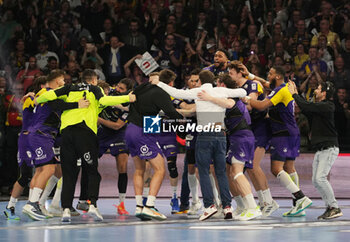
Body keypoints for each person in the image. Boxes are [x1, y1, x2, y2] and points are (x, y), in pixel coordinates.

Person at [35, 69, 135, 223]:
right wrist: (128, 97)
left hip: (67, 135)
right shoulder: (95, 89)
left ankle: (66, 209)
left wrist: (37, 99)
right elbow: (104, 101)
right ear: (94, 80)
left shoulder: (68, 88)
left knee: (68, 174)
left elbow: (46, 96)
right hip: (85, 134)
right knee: (92, 171)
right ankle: (92, 205)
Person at [153, 70, 247, 221]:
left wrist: (158, 83)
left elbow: (176, 93)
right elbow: (243, 91)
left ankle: (209, 206)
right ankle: (228, 206)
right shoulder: (221, 90)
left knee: (203, 171)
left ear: (200, 82)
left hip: (205, 135)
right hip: (221, 134)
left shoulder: (199, 91)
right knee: (221, 172)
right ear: (213, 80)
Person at [244, 66, 312, 217]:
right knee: (289, 168)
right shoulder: (280, 88)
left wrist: (247, 98)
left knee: (276, 169)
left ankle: (301, 198)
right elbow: (266, 84)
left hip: (283, 133)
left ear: (279, 77)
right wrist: (249, 75)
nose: (268, 76)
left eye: (271, 74)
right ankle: (299, 206)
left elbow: (261, 106)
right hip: (291, 132)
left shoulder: (280, 90)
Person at [197, 73, 262, 221]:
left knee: (237, 172)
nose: (216, 87)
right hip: (237, 138)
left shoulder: (231, 100)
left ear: (223, 85)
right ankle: (236, 206)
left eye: (218, 84)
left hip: (242, 138)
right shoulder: (232, 98)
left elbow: (226, 104)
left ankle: (253, 207)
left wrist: (209, 98)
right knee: (226, 171)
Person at [126, 69, 183, 221]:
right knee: (160, 169)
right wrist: (184, 117)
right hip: (142, 131)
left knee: (139, 169)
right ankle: (150, 206)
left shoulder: (141, 87)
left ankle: (139, 207)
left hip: (130, 129)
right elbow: (171, 112)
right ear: (169, 83)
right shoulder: (161, 92)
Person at [288, 81, 343, 220]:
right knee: (316, 180)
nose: (315, 90)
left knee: (320, 178)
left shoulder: (328, 106)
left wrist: (295, 94)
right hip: (320, 149)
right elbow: (306, 108)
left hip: (329, 148)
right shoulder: (318, 107)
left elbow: (307, 106)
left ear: (324, 93)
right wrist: (296, 94)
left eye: (318, 89)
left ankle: (334, 207)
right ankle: (329, 207)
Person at [97, 79, 133, 215]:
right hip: (102, 133)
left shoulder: (129, 104)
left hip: (119, 134)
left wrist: (98, 119)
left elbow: (117, 125)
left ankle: (121, 204)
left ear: (127, 91)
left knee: (122, 166)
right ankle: (89, 200)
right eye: (118, 86)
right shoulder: (109, 92)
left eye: (122, 89)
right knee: (90, 165)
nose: (118, 89)